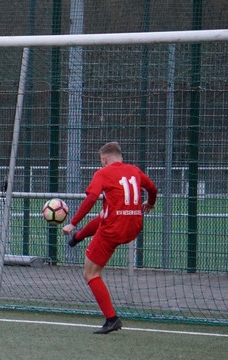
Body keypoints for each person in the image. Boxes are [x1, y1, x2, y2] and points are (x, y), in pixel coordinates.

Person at [62, 141, 157, 334]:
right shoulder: (134, 171)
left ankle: (111, 319)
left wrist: (72, 223)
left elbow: (91, 198)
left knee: (90, 273)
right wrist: (151, 202)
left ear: (104, 159)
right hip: (134, 226)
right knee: (105, 213)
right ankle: (78, 237)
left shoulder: (103, 173)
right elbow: (153, 189)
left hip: (113, 230)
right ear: (120, 157)